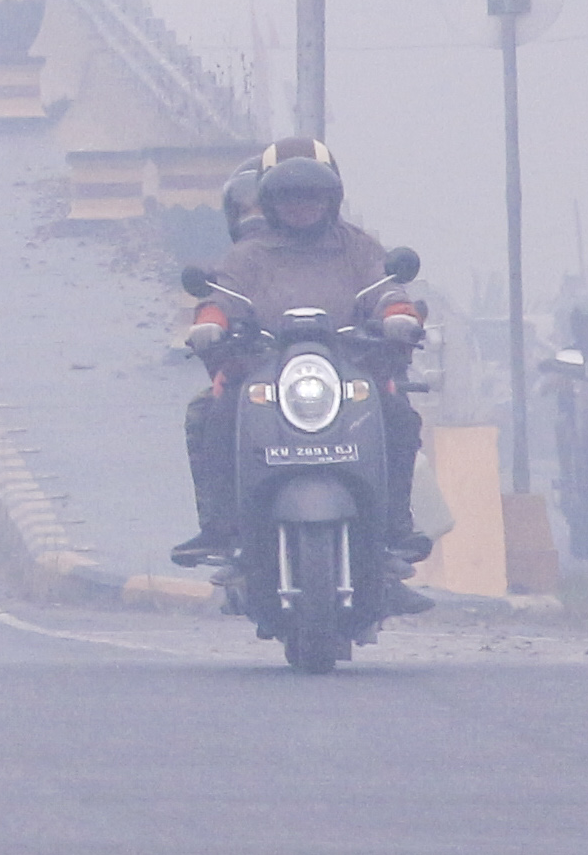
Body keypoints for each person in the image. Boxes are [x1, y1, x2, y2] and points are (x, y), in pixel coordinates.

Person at [172, 145, 428, 582]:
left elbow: (386, 291)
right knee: (210, 413)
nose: (302, 208)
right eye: (290, 199)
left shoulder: (357, 247)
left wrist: (398, 317)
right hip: (265, 368)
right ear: (271, 204)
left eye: (312, 198)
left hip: (348, 368)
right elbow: (220, 298)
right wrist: (211, 324)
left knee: (398, 414)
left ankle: (392, 527)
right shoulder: (249, 254)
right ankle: (221, 528)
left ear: (332, 201)